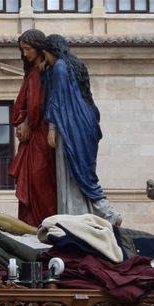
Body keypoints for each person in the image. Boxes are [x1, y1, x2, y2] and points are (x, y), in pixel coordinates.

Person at [41, 34, 121, 227]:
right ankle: (105, 213)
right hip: (87, 123)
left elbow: (57, 99)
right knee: (84, 171)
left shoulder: (60, 67)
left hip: (69, 126)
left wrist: (51, 127)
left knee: (72, 172)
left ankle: (84, 217)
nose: (46, 60)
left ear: (52, 51)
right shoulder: (76, 65)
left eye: (46, 55)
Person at [9, 29, 56, 225]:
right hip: (33, 136)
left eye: (28, 49)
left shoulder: (45, 72)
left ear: (38, 48)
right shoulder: (31, 72)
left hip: (42, 133)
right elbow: (25, 103)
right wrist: (22, 121)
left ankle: (45, 221)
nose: (25, 54)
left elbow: (40, 103)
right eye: (22, 50)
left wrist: (27, 121)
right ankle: (32, 223)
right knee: (31, 180)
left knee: (40, 178)